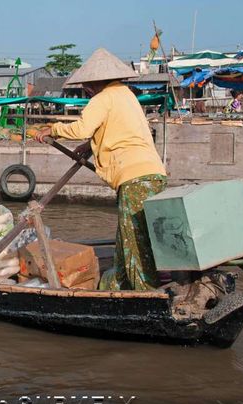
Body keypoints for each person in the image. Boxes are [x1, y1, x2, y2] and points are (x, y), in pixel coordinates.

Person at [34, 48, 167, 291]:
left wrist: (51, 129)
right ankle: (118, 286)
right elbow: (118, 131)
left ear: (95, 82)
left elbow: (81, 128)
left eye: (87, 85)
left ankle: (145, 294)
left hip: (134, 177)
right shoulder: (126, 96)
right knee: (129, 235)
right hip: (153, 174)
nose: (86, 89)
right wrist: (89, 147)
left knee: (136, 241)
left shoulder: (103, 98)